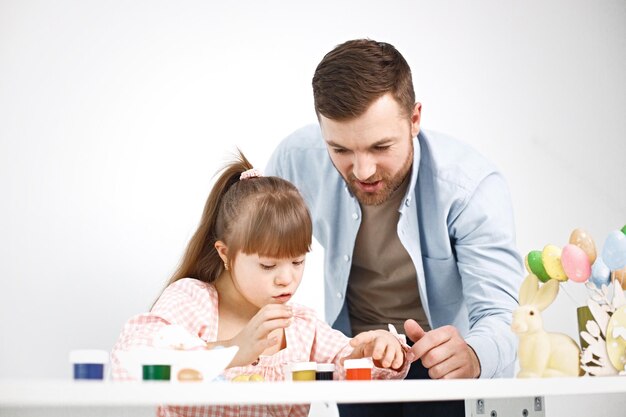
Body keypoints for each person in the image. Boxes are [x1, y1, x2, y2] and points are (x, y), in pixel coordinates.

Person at [265, 39, 524, 416]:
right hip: (357, 354)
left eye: (380, 147)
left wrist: (472, 354)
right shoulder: (296, 159)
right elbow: (248, 245)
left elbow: (503, 317)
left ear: (415, 119)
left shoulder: (471, 187)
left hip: (442, 358)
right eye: (340, 150)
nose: (363, 171)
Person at [111, 151, 411, 417]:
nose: (287, 278)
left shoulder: (301, 326)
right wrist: (232, 349)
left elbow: (346, 363)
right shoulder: (192, 302)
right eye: (268, 265)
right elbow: (132, 360)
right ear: (225, 255)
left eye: (297, 262)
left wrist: (375, 350)